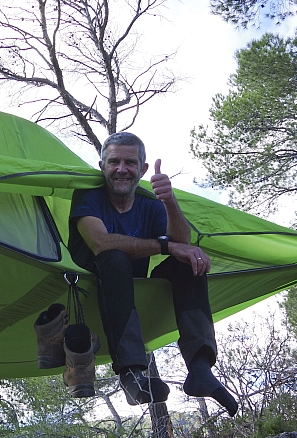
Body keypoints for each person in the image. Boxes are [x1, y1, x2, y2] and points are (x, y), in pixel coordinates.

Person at [67, 132, 238, 415]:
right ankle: (131, 374)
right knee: (114, 257)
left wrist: (169, 201)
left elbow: (181, 244)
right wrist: (164, 245)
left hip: (134, 295)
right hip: (91, 292)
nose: (122, 169)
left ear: (143, 170)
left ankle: (200, 368)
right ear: (102, 166)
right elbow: (101, 243)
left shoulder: (149, 205)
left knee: (188, 261)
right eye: (114, 162)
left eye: (130, 163)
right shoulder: (88, 197)